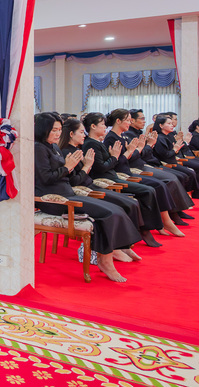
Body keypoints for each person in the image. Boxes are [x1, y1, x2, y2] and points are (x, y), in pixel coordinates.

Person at [35, 113, 141, 282]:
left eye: (59, 130)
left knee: (116, 209)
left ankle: (112, 252)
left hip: (67, 193)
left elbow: (62, 174)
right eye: (54, 130)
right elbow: (45, 178)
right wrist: (68, 168)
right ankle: (105, 261)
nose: (57, 134)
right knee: (108, 213)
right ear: (43, 130)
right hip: (54, 200)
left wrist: (69, 168)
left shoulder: (53, 147)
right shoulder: (38, 148)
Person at [82, 112, 165, 244]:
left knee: (150, 189)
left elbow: (110, 163)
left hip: (114, 175)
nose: (105, 127)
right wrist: (115, 156)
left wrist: (116, 156)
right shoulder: (91, 144)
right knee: (147, 191)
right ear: (93, 126)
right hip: (107, 179)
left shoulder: (97, 142)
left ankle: (148, 228)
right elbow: (102, 167)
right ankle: (143, 230)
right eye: (102, 124)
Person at [105, 109, 193, 225]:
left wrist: (138, 149)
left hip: (140, 164)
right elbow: (127, 158)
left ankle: (174, 213)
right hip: (132, 169)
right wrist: (139, 149)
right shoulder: (115, 137)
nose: (129, 122)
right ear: (118, 121)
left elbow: (136, 155)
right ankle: (166, 219)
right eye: (128, 120)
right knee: (165, 181)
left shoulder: (123, 136)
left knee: (174, 177)